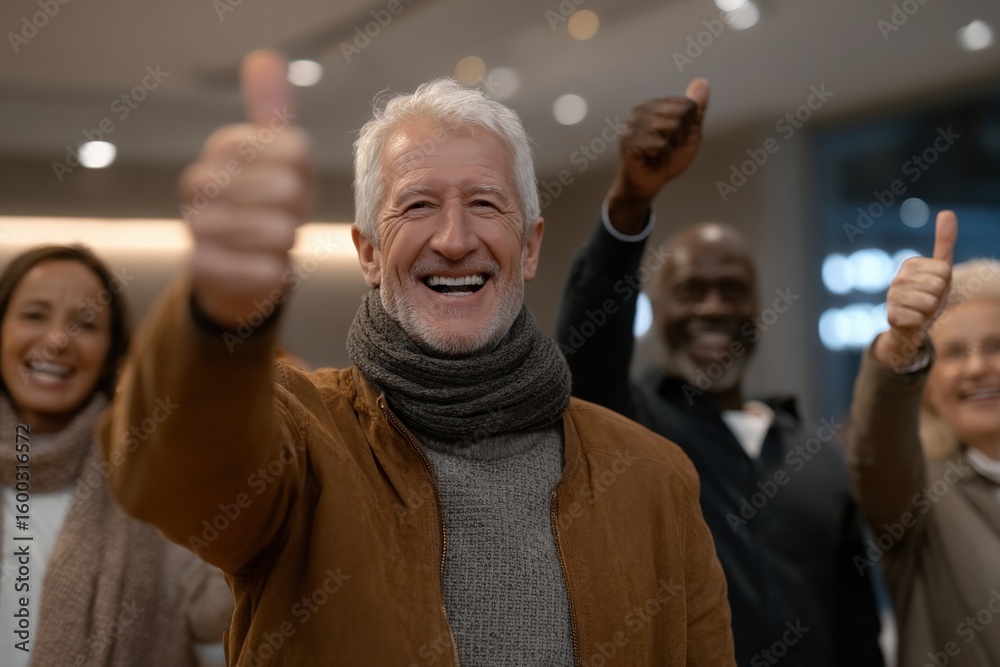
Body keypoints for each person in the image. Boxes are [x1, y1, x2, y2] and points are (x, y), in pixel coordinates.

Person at [98, 49, 736, 665]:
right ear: (369, 252)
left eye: (485, 204)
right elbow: (174, 480)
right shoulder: (304, 439)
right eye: (418, 205)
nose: (455, 240)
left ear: (531, 246)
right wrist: (217, 319)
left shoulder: (655, 478)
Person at [556, 80, 884, 666]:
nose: (712, 308)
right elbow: (587, 348)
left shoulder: (818, 459)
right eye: (690, 291)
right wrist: (630, 203)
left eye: (731, 291)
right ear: (656, 310)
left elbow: (855, 625)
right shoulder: (628, 430)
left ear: (756, 309)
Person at [0, 244, 233, 666]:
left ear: (111, 352)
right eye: (34, 315)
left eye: (85, 324)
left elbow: (218, 645)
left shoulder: (156, 484)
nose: (56, 340)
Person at [849, 211, 1000, 666]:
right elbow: (877, 456)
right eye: (953, 353)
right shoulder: (919, 496)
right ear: (929, 385)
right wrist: (900, 347)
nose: (977, 368)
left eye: (996, 346)